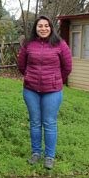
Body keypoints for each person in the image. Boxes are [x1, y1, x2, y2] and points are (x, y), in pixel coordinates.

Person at [18, 15, 72, 170]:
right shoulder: (28, 44)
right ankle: (36, 153)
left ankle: (49, 156)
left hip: (52, 92)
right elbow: (22, 65)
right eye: (40, 26)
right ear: (36, 28)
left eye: (46, 26)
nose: (43, 29)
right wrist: (30, 76)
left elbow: (67, 67)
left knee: (49, 123)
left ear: (51, 27)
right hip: (31, 90)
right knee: (35, 122)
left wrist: (55, 79)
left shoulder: (60, 44)